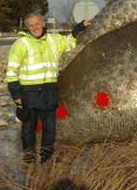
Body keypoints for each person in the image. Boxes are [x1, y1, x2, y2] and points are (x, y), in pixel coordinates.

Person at [6, 13, 91, 164]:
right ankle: (30, 162)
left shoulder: (54, 40)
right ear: (27, 27)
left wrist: (79, 27)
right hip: (29, 95)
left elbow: (70, 43)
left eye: (37, 24)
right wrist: (16, 95)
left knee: (50, 131)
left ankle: (46, 161)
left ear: (42, 23)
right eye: (31, 26)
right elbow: (12, 72)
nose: (35, 27)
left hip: (49, 93)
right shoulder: (20, 44)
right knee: (28, 131)